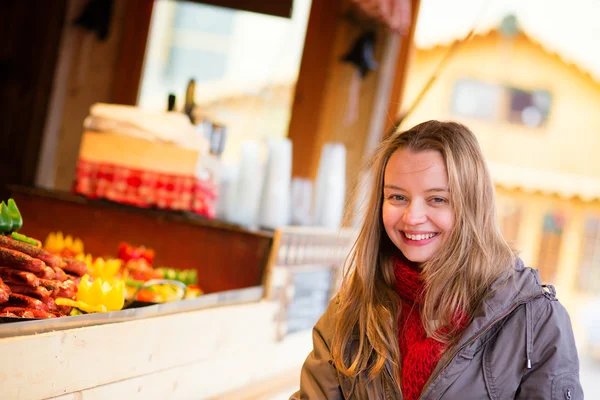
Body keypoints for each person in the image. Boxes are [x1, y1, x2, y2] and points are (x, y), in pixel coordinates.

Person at [290, 120, 582, 399]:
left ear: (472, 205)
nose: (412, 218)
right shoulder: (351, 308)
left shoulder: (536, 320)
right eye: (397, 197)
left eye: (437, 199)